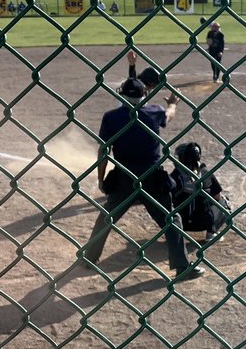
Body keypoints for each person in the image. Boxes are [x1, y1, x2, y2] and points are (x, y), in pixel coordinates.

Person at [81, 77, 201, 281]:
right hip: (153, 177)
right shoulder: (153, 112)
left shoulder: (110, 118)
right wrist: (172, 103)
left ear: (122, 96)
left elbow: (104, 151)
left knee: (107, 217)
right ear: (144, 96)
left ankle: (89, 258)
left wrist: (101, 179)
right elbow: (169, 115)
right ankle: (182, 267)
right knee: (171, 219)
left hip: (124, 177)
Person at [170, 141, 230, 240]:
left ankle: (174, 234)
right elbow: (217, 197)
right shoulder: (205, 173)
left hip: (180, 221)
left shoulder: (175, 175)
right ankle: (211, 233)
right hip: (203, 222)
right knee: (224, 202)